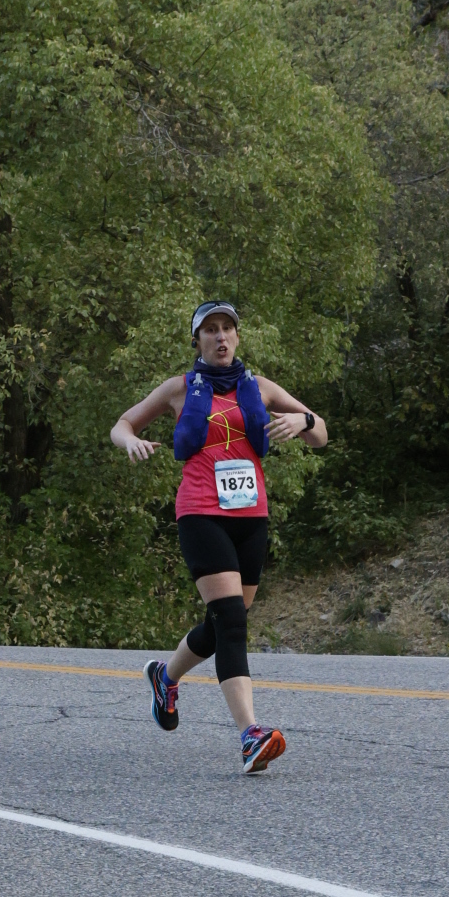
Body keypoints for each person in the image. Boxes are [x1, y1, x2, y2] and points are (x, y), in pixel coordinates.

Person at [110, 299, 326, 773]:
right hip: (200, 512)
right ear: (198, 341)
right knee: (230, 620)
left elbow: (321, 434)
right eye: (211, 330)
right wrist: (131, 441)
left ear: (237, 337)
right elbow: (122, 424)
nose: (221, 336)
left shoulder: (261, 388)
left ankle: (165, 677)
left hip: (251, 516)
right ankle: (250, 734)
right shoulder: (178, 389)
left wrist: (304, 421)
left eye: (228, 328)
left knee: (224, 622)